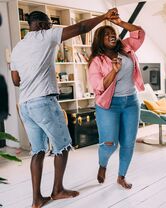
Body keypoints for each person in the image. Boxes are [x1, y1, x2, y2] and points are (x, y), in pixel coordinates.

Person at [10, 9, 118, 208]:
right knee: (63, 145)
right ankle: (57, 190)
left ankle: (36, 200)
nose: (51, 27)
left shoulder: (18, 47)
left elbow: (16, 80)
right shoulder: (46, 35)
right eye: (50, 24)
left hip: (25, 104)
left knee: (38, 151)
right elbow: (82, 27)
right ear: (43, 24)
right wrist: (104, 17)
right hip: (43, 102)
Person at [87, 15, 145, 189]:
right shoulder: (97, 61)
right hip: (108, 105)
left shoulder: (126, 48)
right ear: (100, 40)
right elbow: (98, 87)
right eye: (106, 35)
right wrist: (113, 71)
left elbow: (139, 33)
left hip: (131, 103)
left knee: (128, 143)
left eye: (113, 33)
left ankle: (121, 176)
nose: (111, 36)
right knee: (110, 143)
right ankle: (103, 164)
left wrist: (118, 22)